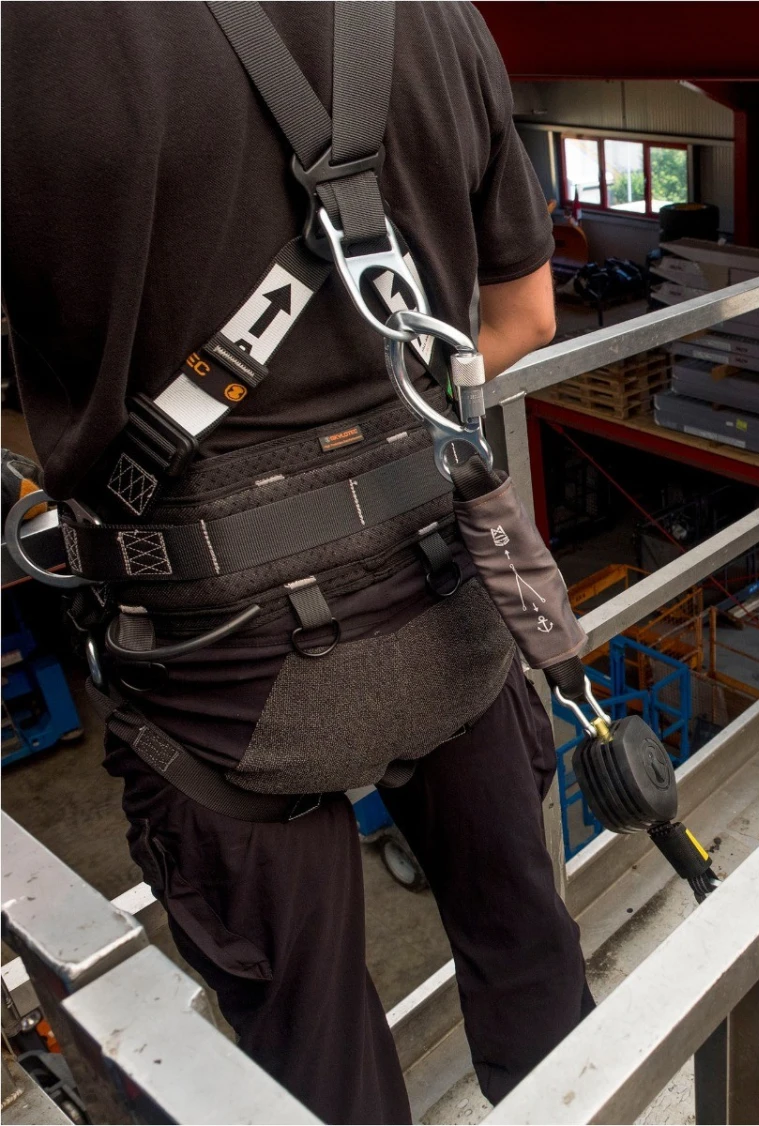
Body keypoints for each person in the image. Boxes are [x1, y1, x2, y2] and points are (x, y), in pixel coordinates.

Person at [1, 4, 591, 1122]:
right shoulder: (432, 15)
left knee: (315, 1063)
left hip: (220, 680)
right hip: (447, 608)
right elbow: (525, 316)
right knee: (532, 962)